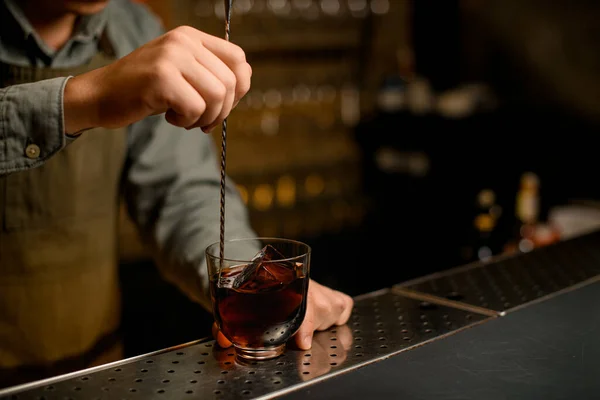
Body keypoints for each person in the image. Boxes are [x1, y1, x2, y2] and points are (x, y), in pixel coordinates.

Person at [0, 0, 354, 387]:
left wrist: (255, 281)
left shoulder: (131, 27)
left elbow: (179, 193)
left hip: (95, 373)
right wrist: (90, 98)